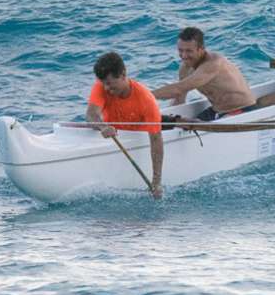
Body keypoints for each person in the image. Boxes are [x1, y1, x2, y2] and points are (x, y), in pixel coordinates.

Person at [86, 51, 164, 199]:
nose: (106, 89)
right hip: (113, 136)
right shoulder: (100, 87)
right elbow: (91, 114)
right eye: (103, 84)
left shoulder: (146, 99)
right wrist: (103, 127)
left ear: (123, 75)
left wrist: (157, 182)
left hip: (137, 137)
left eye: (109, 84)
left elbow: (155, 139)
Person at [153, 27, 257, 121]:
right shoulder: (185, 68)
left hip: (242, 109)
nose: (184, 56)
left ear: (201, 49)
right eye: (180, 50)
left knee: (195, 128)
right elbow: (179, 97)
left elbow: (178, 89)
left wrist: (144, 95)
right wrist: (169, 118)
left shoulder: (213, 63)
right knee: (182, 128)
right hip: (216, 111)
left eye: (189, 51)